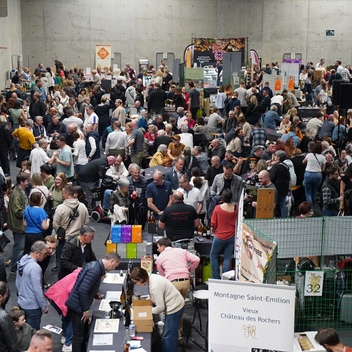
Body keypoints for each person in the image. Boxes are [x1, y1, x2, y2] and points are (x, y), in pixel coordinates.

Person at [66, 253, 121, 352]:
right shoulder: (95, 270)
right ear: (111, 261)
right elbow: (82, 290)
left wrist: (95, 294)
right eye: (114, 266)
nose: (113, 269)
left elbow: (85, 285)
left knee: (82, 335)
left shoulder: (95, 266)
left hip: (79, 305)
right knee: (79, 337)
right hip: (77, 307)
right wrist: (86, 310)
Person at [131, 267, 185, 352]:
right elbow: (154, 296)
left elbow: (160, 308)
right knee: (169, 333)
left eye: (136, 282)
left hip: (174, 308)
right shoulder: (151, 277)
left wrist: (146, 310)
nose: (136, 284)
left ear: (141, 279)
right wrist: (144, 303)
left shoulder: (154, 286)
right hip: (173, 304)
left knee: (169, 336)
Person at [54, 187, 90, 276]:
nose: (62, 195)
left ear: (66, 194)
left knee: (61, 260)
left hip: (65, 239)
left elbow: (55, 224)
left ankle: (62, 280)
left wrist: (61, 232)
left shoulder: (60, 208)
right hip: (78, 239)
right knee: (78, 260)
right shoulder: (82, 206)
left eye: (62, 193)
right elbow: (86, 223)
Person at [15, 241, 49, 330]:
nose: (45, 256)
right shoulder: (35, 267)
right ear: (37, 253)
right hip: (32, 306)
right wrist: (43, 306)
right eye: (44, 254)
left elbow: (17, 282)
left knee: (24, 330)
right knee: (33, 332)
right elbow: (37, 289)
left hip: (22, 302)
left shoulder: (23, 260)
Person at [45, 269, 81, 352]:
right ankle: (67, 344)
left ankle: (64, 337)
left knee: (66, 317)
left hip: (54, 295)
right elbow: (70, 290)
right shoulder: (81, 276)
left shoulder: (78, 271)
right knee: (72, 319)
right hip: (61, 299)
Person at [210, 189, 238, 279]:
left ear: (222, 197)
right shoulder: (236, 208)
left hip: (220, 236)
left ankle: (216, 277)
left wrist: (213, 230)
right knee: (227, 258)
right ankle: (226, 278)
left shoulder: (217, 208)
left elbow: (213, 222)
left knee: (213, 256)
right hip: (232, 236)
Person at [8, 172, 30, 274]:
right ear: (21, 182)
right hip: (19, 225)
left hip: (20, 224)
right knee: (19, 248)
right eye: (27, 181)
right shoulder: (16, 195)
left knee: (20, 246)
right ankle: (14, 268)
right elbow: (18, 212)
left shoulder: (21, 191)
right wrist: (30, 212)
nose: (28, 183)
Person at [303, 142, 326, 213]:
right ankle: (313, 208)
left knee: (308, 193)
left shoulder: (309, 155)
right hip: (318, 175)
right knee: (314, 192)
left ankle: (310, 209)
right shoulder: (323, 157)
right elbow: (323, 169)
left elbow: (303, 162)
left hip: (308, 174)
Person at [269, 150, 291, 218]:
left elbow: (271, 177)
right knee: (282, 203)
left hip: (276, 188)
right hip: (284, 188)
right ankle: (284, 217)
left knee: (275, 203)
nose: (274, 157)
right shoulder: (286, 166)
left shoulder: (276, 167)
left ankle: (274, 216)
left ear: (278, 157)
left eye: (275, 155)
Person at [0, 281, 21, 352]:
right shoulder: (4, 316)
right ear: (0, 297)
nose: (6, 296)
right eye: (6, 294)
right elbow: (13, 344)